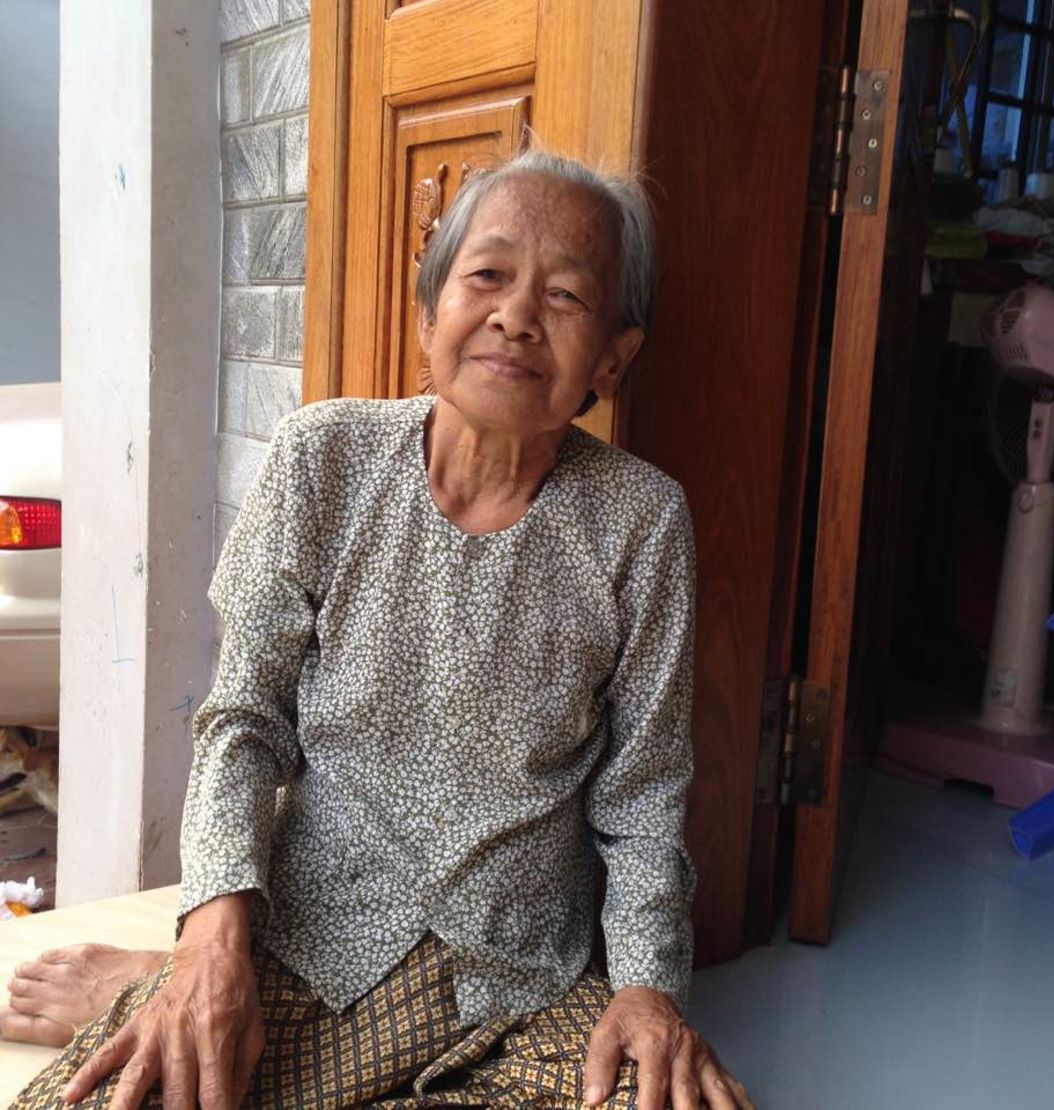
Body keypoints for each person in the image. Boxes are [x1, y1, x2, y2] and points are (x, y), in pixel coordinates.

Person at [4, 151, 753, 1110]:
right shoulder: (325, 456)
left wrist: (648, 987)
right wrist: (211, 937)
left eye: (566, 296)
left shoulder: (642, 522)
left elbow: (644, 801)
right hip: (313, 939)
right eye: (486, 276)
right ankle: (162, 973)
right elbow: (244, 722)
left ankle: (149, 980)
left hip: (521, 978)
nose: (517, 316)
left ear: (611, 357)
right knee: (140, 1085)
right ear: (427, 311)